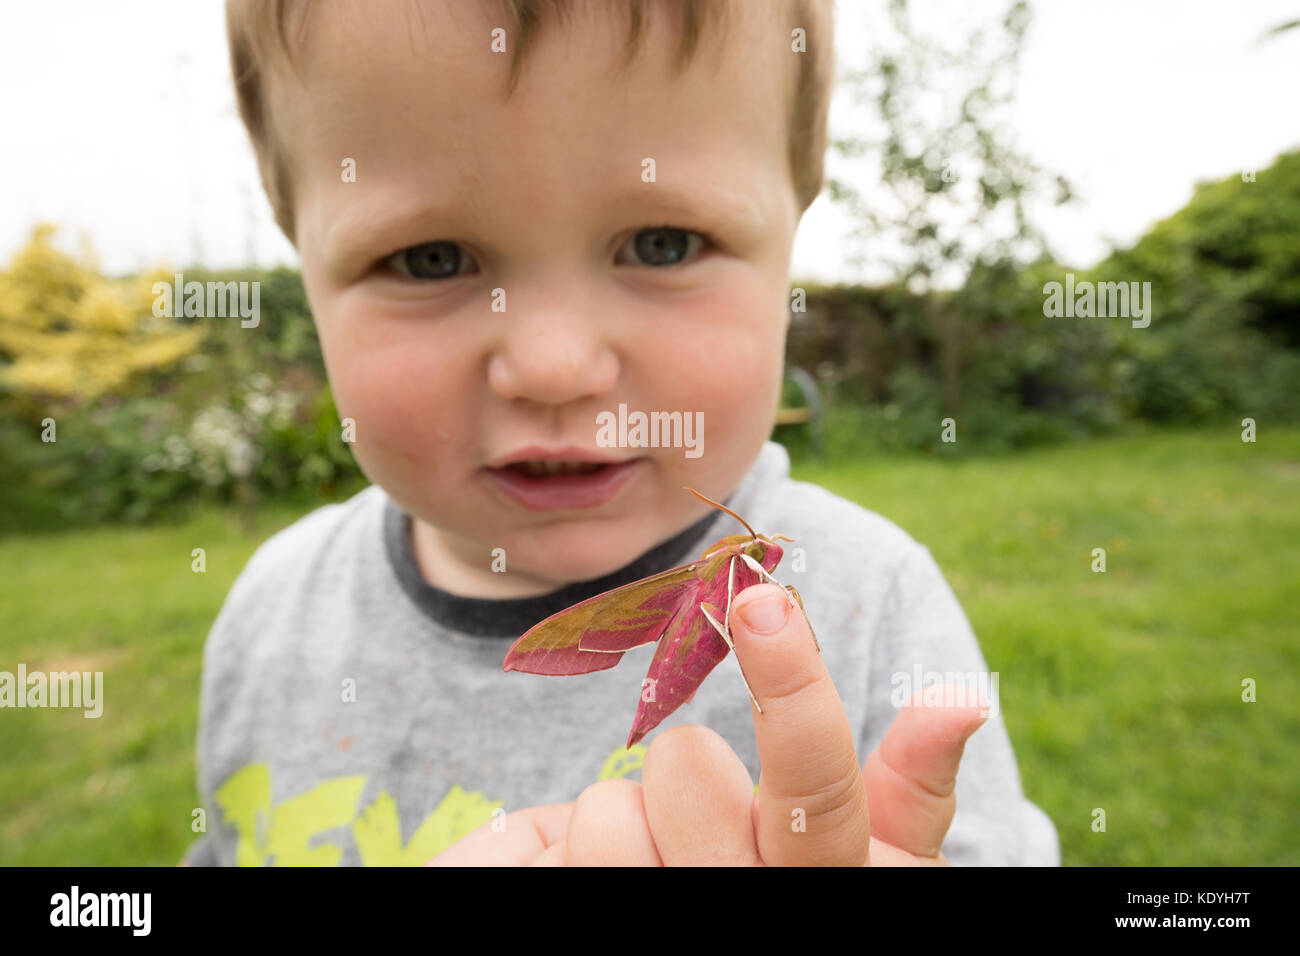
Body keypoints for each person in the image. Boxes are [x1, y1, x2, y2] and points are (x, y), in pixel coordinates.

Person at [182, 0, 1059, 866]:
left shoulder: (879, 604)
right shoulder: (268, 615)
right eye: (430, 260)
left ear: (798, 215)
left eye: (664, 244)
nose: (555, 367)